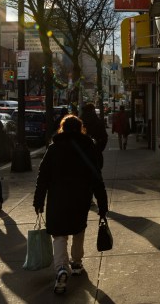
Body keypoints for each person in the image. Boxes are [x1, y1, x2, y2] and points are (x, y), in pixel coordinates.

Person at [33, 115, 109, 295]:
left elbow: (42, 176)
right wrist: (102, 203)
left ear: (62, 128)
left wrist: (38, 200)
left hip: (58, 198)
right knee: (78, 230)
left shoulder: (54, 148)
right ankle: (76, 262)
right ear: (81, 128)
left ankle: (60, 268)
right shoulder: (88, 147)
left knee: (59, 235)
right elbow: (96, 177)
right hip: (81, 197)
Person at [80, 102, 108, 169]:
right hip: (95, 152)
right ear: (93, 110)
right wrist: (99, 149)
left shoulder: (80, 120)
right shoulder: (97, 121)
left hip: (82, 153)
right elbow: (104, 137)